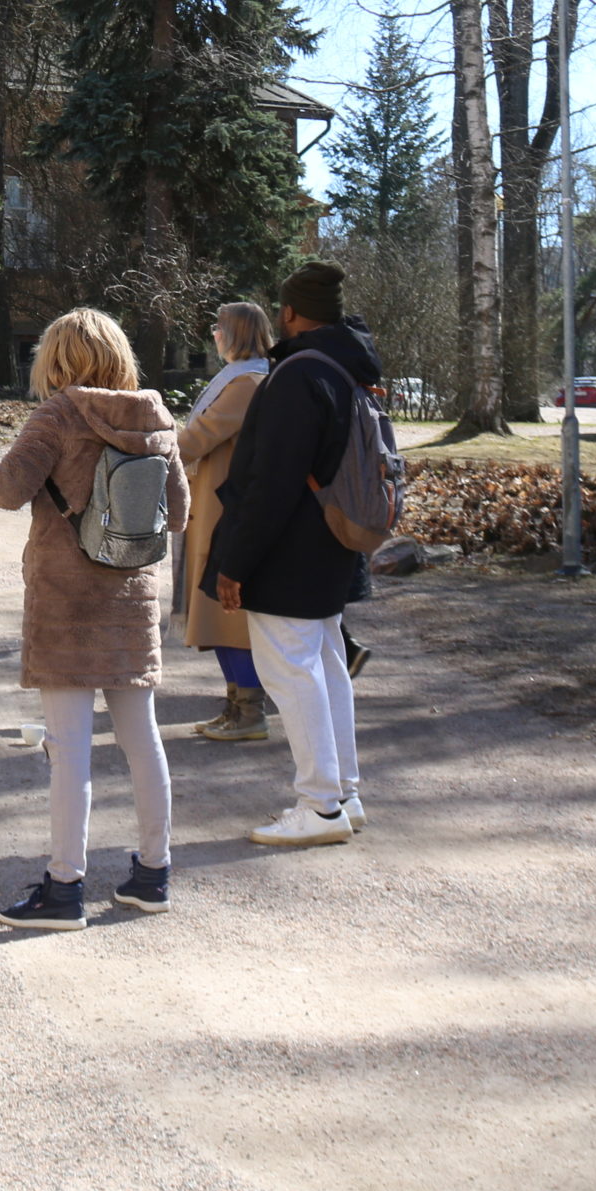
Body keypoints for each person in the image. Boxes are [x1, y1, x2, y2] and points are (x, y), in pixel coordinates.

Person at [0, 308, 188, 930]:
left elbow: (4, 490)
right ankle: (153, 874)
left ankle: (64, 887)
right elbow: (176, 513)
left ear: (58, 359)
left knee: (68, 748)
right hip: (129, 601)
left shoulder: (57, 415)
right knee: (141, 739)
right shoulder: (155, 415)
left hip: (65, 604)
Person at [206, 261, 380, 849]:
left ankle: (320, 805)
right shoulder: (343, 367)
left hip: (289, 551)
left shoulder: (296, 375)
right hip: (333, 542)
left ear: (287, 313)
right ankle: (344, 794)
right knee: (327, 666)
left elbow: (269, 482)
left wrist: (235, 562)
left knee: (291, 670)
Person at [182, 303, 275, 742]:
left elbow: (199, 437)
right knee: (220, 616)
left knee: (226, 615)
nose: (214, 335)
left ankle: (249, 711)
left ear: (237, 334)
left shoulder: (247, 383)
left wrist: (151, 443)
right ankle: (235, 704)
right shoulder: (244, 377)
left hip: (223, 512)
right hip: (216, 506)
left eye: (220, 329)